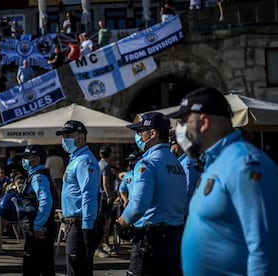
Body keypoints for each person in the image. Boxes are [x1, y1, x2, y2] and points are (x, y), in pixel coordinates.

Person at [166, 87, 278, 276]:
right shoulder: (214, 163)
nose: (180, 129)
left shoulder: (245, 164)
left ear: (203, 122)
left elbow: (265, 247)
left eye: (184, 122)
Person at [116, 111, 187, 276]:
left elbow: (139, 205)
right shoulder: (176, 164)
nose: (138, 136)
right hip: (175, 237)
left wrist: (121, 222)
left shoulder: (147, 164)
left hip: (150, 240)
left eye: (140, 132)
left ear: (152, 133)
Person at [55, 120, 101, 276]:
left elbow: (89, 194)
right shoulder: (75, 159)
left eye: (68, 135)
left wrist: (87, 228)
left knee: (77, 270)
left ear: (81, 137)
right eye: (63, 136)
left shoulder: (84, 161)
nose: (64, 139)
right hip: (73, 224)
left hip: (80, 224)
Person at [17, 145, 56, 276]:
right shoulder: (36, 175)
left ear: (37, 159)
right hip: (40, 227)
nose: (24, 160)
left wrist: (38, 225)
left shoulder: (38, 177)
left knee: (32, 268)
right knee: (44, 266)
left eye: (27, 157)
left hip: (39, 229)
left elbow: (46, 201)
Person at [169, 133, 201, 218]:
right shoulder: (177, 162)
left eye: (173, 145)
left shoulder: (188, 162)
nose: (171, 149)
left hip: (187, 211)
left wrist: (183, 212)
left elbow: (188, 188)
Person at [95, 145, 117, 258]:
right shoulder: (106, 166)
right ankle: (101, 246)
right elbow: (105, 182)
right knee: (105, 223)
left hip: (98, 196)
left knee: (101, 222)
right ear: (110, 154)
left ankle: (104, 244)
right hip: (105, 197)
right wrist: (109, 195)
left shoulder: (97, 165)